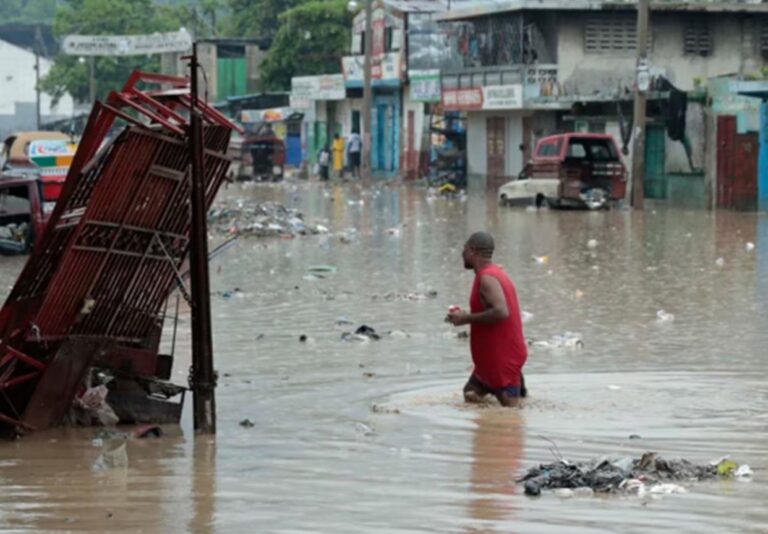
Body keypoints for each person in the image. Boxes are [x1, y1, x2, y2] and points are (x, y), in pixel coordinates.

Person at [446, 232, 528, 407]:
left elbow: (501, 312)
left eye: (464, 249)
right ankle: (487, 428)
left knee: (511, 417)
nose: (462, 254)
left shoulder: (487, 278)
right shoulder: (493, 274)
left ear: (472, 250)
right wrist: (465, 314)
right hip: (489, 360)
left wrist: (465, 318)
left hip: (501, 358)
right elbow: (492, 309)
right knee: (470, 394)